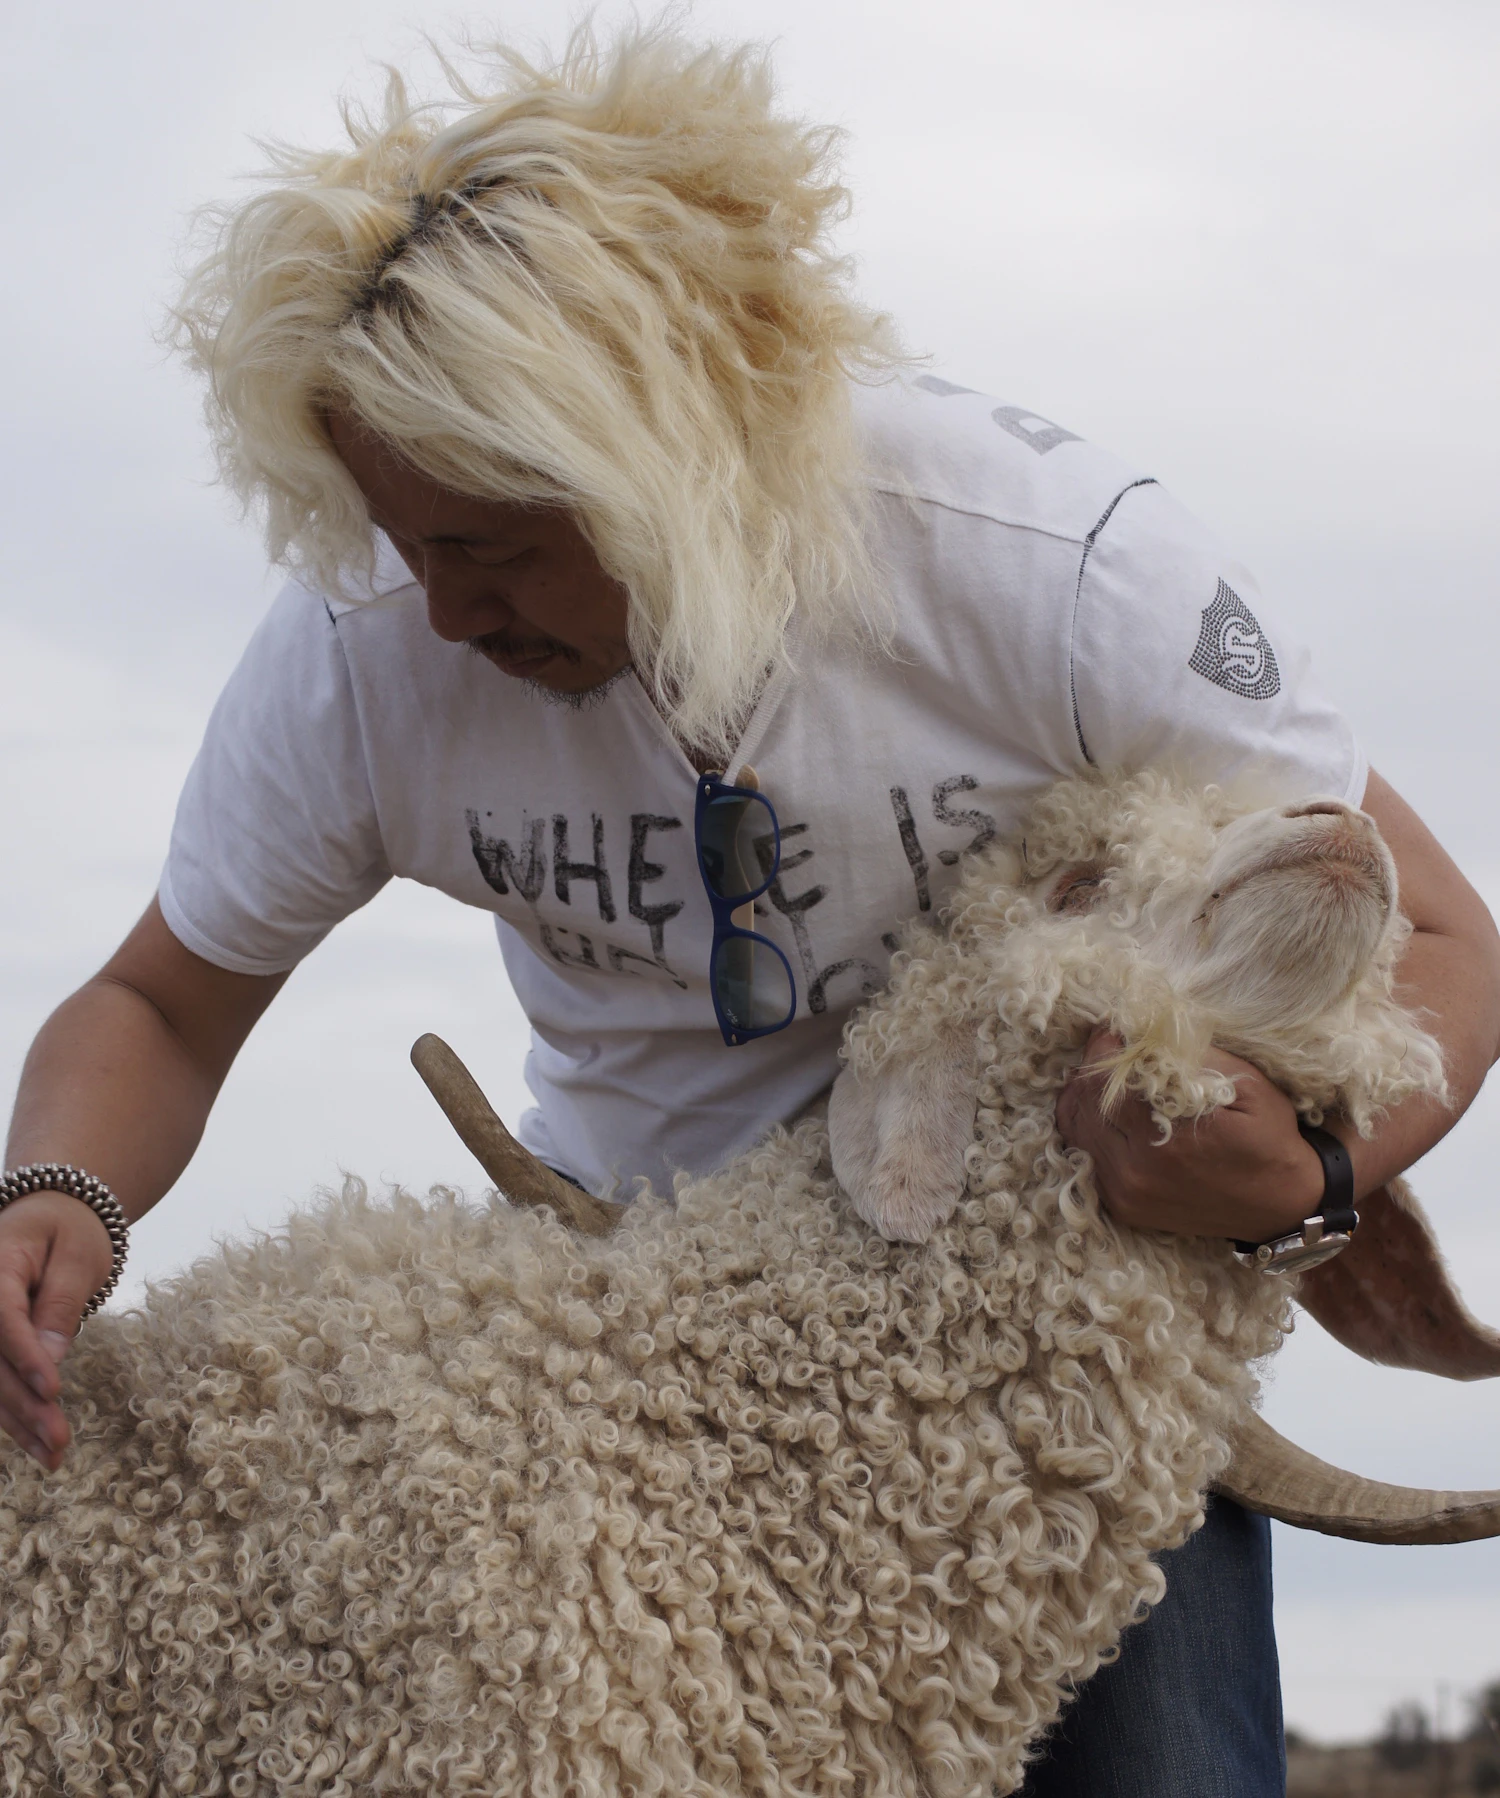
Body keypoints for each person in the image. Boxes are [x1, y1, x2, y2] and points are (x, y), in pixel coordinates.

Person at [3, 25, 1497, 1797]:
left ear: (667, 467)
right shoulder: (367, 650)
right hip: (616, 1360)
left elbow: (1436, 939)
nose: (444, 606)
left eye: (491, 543)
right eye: (403, 539)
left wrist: (1317, 1175)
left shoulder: (1038, 563)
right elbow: (163, 1003)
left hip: (1024, 1347)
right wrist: (56, 1187)